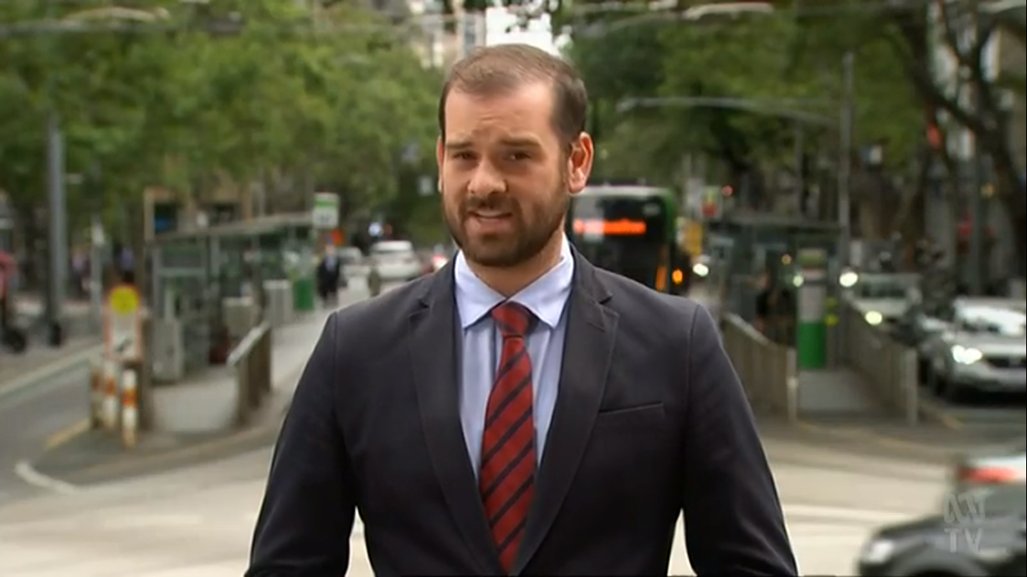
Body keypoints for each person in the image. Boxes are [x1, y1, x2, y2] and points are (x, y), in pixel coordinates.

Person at [247, 44, 797, 576]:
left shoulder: (677, 344)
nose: (484, 183)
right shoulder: (355, 350)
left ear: (576, 162)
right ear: (440, 160)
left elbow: (752, 564)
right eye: (465, 155)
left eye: (516, 155)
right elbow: (288, 565)